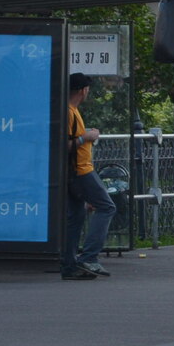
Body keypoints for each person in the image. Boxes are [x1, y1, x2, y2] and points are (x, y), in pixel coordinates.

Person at [61, 73, 117, 280]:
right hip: (81, 171)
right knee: (107, 207)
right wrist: (87, 137)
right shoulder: (68, 113)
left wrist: (84, 135)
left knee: (76, 217)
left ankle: (69, 267)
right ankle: (89, 257)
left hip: (74, 171)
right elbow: (62, 145)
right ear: (83, 90)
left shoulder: (71, 111)